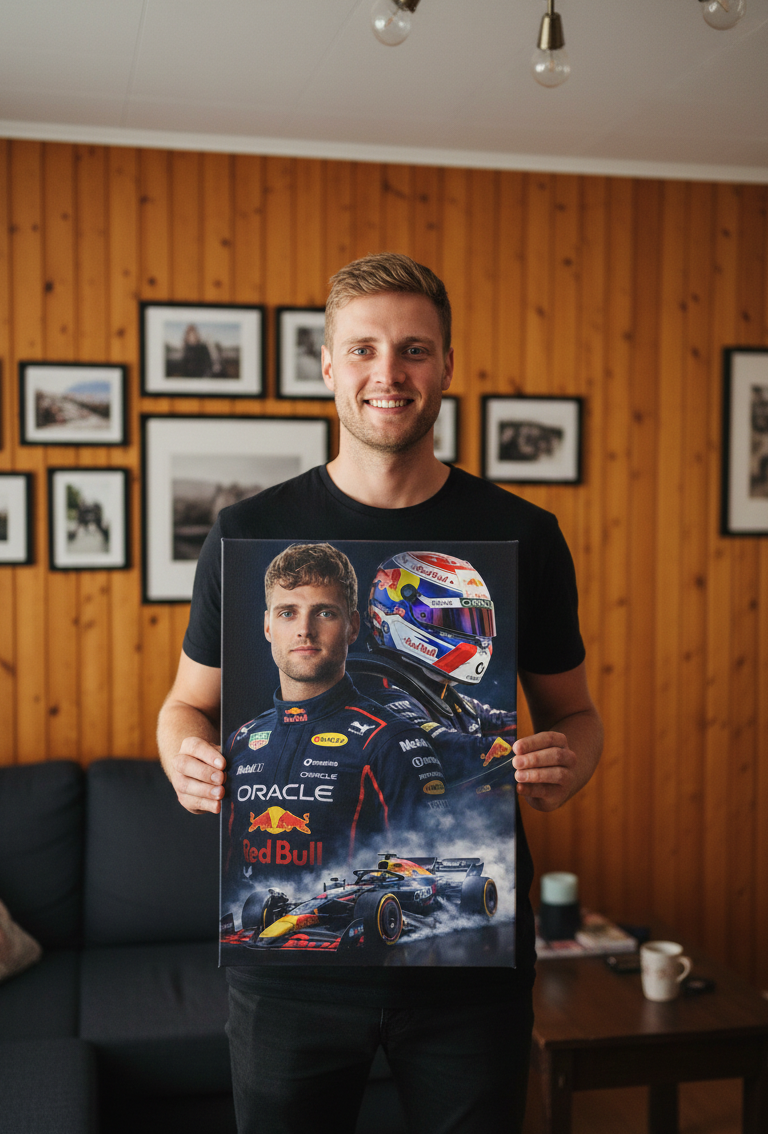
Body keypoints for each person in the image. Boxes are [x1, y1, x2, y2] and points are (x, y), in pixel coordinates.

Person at [158, 252, 603, 1134]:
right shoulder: (247, 535)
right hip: (287, 983)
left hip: (468, 974)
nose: (387, 374)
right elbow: (184, 706)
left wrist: (567, 765)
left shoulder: (523, 536)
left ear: (446, 366)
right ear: (327, 367)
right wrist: (184, 758)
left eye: (413, 350)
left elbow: (575, 717)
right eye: (362, 350)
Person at [223, 541, 446, 901]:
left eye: (324, 612)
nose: (304, 630)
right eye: (287, 613)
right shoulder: (240, 742)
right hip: (252, 948)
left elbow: (426, 881)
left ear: (353, 626)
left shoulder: (393, 740)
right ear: (267, 626)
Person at [349, 548, 519, 792]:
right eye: (454, 620)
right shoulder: (376, 692)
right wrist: (534, 750)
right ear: (401, 615)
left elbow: (505, 722)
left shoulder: (434, 689)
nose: (475, 635)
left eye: (478, 621)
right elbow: (441, 747)